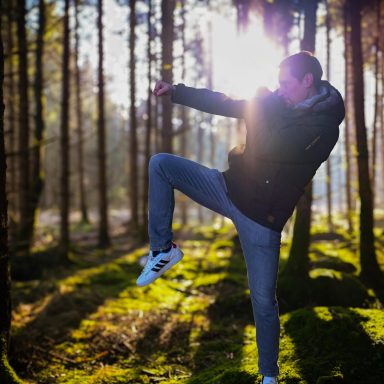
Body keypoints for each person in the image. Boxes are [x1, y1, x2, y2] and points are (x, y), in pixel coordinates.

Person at [136, 51, 345, 384]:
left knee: (263, 300)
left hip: (262, 219)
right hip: (227, 187)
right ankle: (163, 250)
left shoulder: (323, 128)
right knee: (161, 164)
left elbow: (269, 147)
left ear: (308, 81)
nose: (280, 89)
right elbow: (227, 102)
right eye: (277, 83)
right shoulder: (277, 101)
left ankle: (269, 376)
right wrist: (177, 92)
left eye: (285, 83)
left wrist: (261, 103)